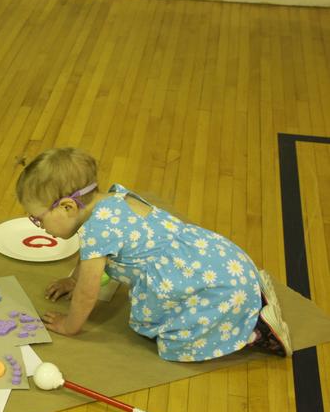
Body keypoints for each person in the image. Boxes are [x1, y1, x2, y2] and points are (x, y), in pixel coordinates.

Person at [15, 147, 292, 362]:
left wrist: (69, 325)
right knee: (225, 293)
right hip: (221, 262)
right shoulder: (114, 199)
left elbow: (88, 294)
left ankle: (257, 333)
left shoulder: (96, 233)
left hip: (197, 284)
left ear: (67, 207)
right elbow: (89, 261)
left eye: (38, 219)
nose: (40, 227)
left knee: (176, 344)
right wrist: (72, 281)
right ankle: (253, 295)